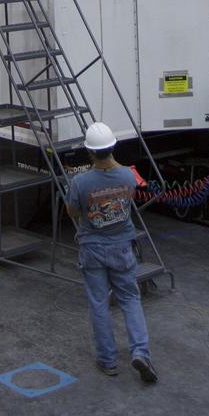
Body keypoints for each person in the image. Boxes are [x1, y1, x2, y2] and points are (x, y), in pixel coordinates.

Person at [66, 122, 158, 383]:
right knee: (130, 299)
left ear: (90, 152)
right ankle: (141, 352)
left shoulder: (80, 182)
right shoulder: (128, 176)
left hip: (92, 248)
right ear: (113, 148)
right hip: (122, 247)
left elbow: (72, 212)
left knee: (98, 303)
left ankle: (107, 361)